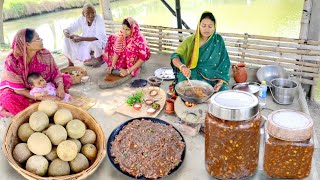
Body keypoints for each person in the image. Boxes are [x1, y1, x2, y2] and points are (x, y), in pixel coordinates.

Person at [0, 28, 72, 118]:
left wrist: (60, 87)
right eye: (38, 39)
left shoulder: (45, 54)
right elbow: (19, 90)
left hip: (44, 85)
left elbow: (56, 72)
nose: (41, 40)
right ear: (27, 44)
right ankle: (38, 110)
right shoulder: (12, 61)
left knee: (65, 79)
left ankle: (43, 104)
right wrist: (41, 97)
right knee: (8, 99)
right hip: (23, 91)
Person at [171, 11, 230, 92]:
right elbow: (174, 56)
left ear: (214, 27)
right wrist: (182, 67)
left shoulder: (218, 40)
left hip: (214, 76)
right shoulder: (191, 40)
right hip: (193, 74)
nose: (206, 29)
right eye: (204, 26)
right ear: (199, 26)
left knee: (223, 90)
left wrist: (220, 81)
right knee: (184, 87)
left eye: (210, 26)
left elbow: (224, 63)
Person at [63, 3, 107, 67]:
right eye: (87, 13)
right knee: (66, 39)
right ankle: (70, 62)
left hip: (98, 42)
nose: (91, 15)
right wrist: (66, 31)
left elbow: (98, 37)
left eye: (93, 12)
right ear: (83, 14)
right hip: (84, 41)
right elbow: (70, 28)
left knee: (94, 43)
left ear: (95, 12)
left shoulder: (98, 18)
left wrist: (81, 38)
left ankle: (98, 59)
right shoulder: (81, 19)